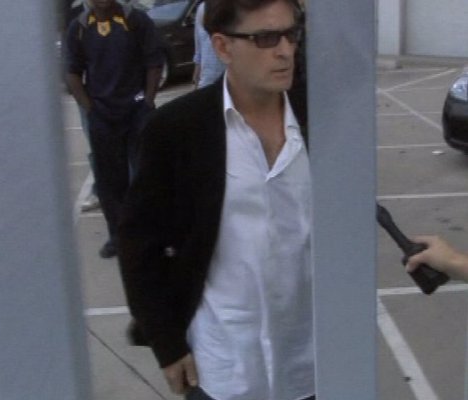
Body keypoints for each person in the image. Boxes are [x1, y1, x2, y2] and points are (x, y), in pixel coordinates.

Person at [118, 0, 314, 399]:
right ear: (223, 47)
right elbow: (139, 244)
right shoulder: (177, 130)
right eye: (266, 38)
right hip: (223, 365)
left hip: (315, 361)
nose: (285, 51)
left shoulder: (320, 117)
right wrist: (167, 345)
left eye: (291, 34)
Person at [65, 0, 163, 258]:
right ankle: (119, 238)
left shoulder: (136, 21)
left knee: (145, 176)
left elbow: (154, 63)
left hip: (137, 113)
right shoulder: (79, 27)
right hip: (102, 118)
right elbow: (72, 72)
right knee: (110, 183)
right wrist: (90, 109)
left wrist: (147, 101)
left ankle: (149, 234)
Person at [192, 1, 226, 88]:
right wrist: (197, 73)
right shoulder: (202, 8)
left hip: (229, 79)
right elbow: (199, 47)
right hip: (208, 79)